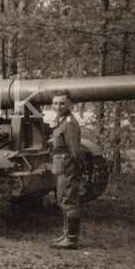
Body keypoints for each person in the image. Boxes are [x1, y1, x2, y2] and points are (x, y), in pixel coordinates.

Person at [49, 89, 82, 249]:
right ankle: (66, 235)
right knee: (63, 201)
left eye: (61, 103)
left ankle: (71, 239)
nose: (58, 106)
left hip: (67, 167)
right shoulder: (61, 121)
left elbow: (74, 151)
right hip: (61, 167)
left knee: (69, 202)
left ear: (69, 104)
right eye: (55, 103)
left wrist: (75, 170)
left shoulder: (69, 123)